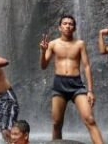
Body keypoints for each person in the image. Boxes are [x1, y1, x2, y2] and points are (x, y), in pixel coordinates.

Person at [39, 15, 103, 144]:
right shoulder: (53, 44)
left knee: (90, 119)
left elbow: (86, 66)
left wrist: (90, 91)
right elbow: (43, 66)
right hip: (59, 84)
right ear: (59, 27)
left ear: (74, 28)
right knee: (57, 123)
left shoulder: (80, 44)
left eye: (70, 24)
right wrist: (43, 51)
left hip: (76, 85)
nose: (68, 26)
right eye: (65, 23)